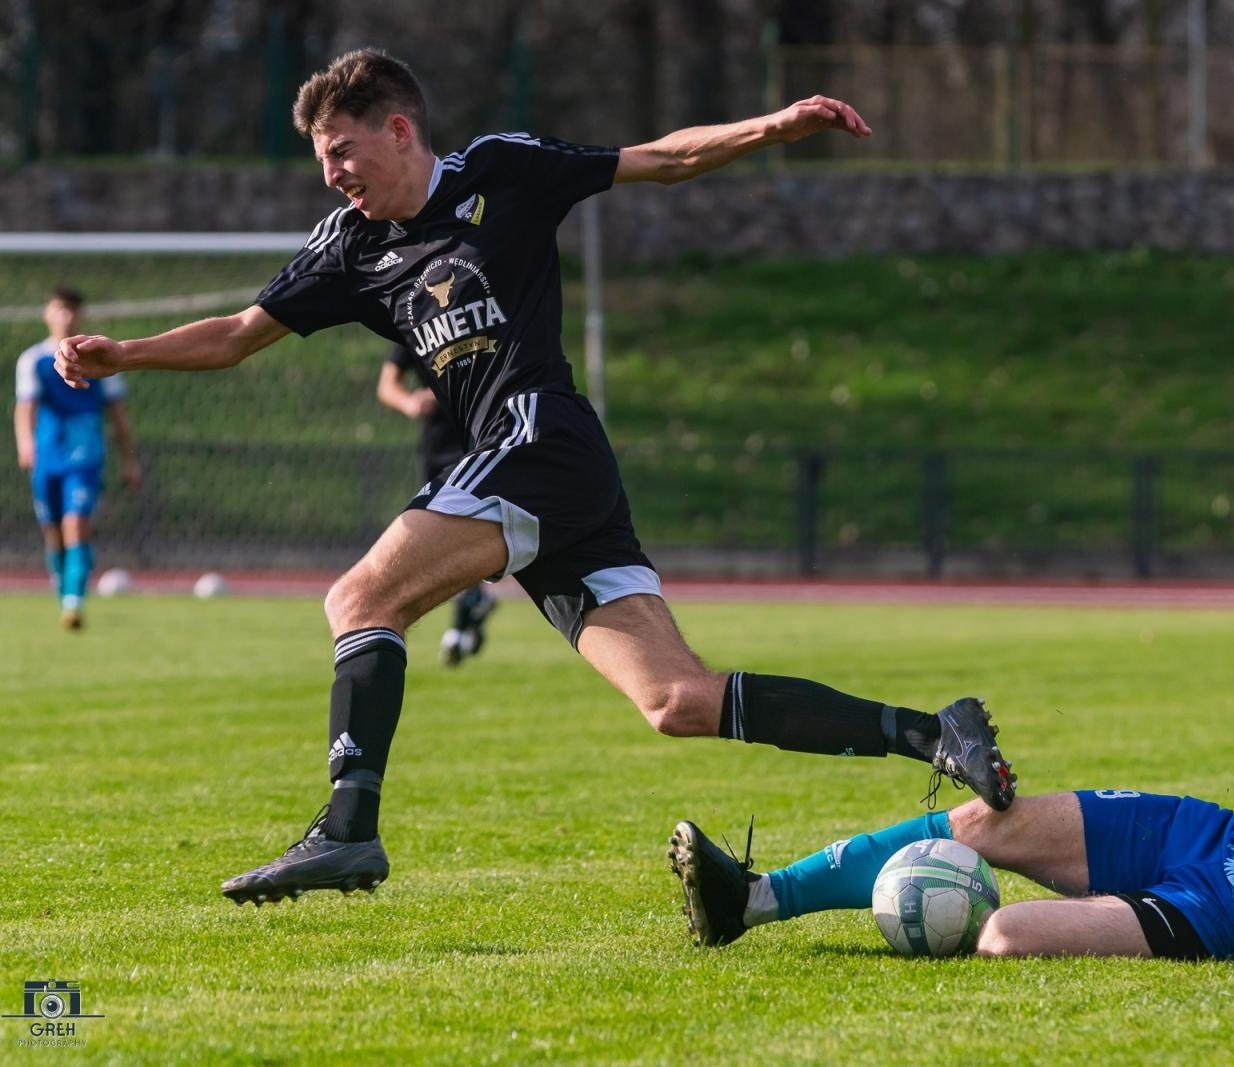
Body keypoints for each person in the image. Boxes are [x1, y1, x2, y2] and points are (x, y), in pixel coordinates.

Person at [53, 49, 1015, 906]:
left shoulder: (500, 170)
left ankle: (347, 828)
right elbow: (235, 336)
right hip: (544, 475)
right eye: (321, 159)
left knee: (360, 598)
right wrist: (123, 353)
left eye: (343, 150)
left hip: (541, 438)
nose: (332, 173)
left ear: (400, 130)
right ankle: (933, 731)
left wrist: (773, 126)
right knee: (676, 701)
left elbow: (662, 158)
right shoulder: (350, 245)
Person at [670, 481, 1234, 969]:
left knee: (1003, 934)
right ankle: (752, 899)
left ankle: (1047, 910)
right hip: (1221, 839)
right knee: (985, 823)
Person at [14, 286, 140, 630]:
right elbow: (25, 408)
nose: (66, 316)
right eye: (59, 309)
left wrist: (129, 460)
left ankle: (74, 602)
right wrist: (25, 443)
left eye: (72, 310)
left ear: (81, 315)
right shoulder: (34, 360)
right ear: (47, 313)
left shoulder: (99, 358)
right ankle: (65, 586)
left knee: (76, 526)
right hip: (47, 456)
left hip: (86, 456)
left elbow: (118, 413)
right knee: (53, 533)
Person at [375, 342, 497, 665]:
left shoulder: (485, 320)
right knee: (449, 530)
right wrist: (410, 402)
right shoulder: (410, 325)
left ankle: (465, 614)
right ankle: (471, 605)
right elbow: (387, 385)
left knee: (470, 524)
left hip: (483, 437)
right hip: (438, 446)